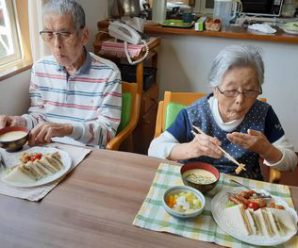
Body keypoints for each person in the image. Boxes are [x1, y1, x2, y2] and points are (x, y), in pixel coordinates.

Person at [148, 45, 297, 180]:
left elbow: (291, 162)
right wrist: (189, 149)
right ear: (215, 89)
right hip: (196, 183)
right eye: (231, 91)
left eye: (250, 90)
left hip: (243, 189)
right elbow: (154, 149)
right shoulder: (193, 115)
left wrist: (266, 149)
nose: (240, 99)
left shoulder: (263, 114)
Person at [0, 0, 122, 148]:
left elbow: (107, 133)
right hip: (48, 150)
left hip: (89, 153)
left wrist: (67, 130)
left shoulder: (109, 73)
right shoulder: (40, 68)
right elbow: (38, 116)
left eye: (64, 34)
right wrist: (19, 122)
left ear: (84, 36)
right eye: (49, 34)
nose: (57, 44)